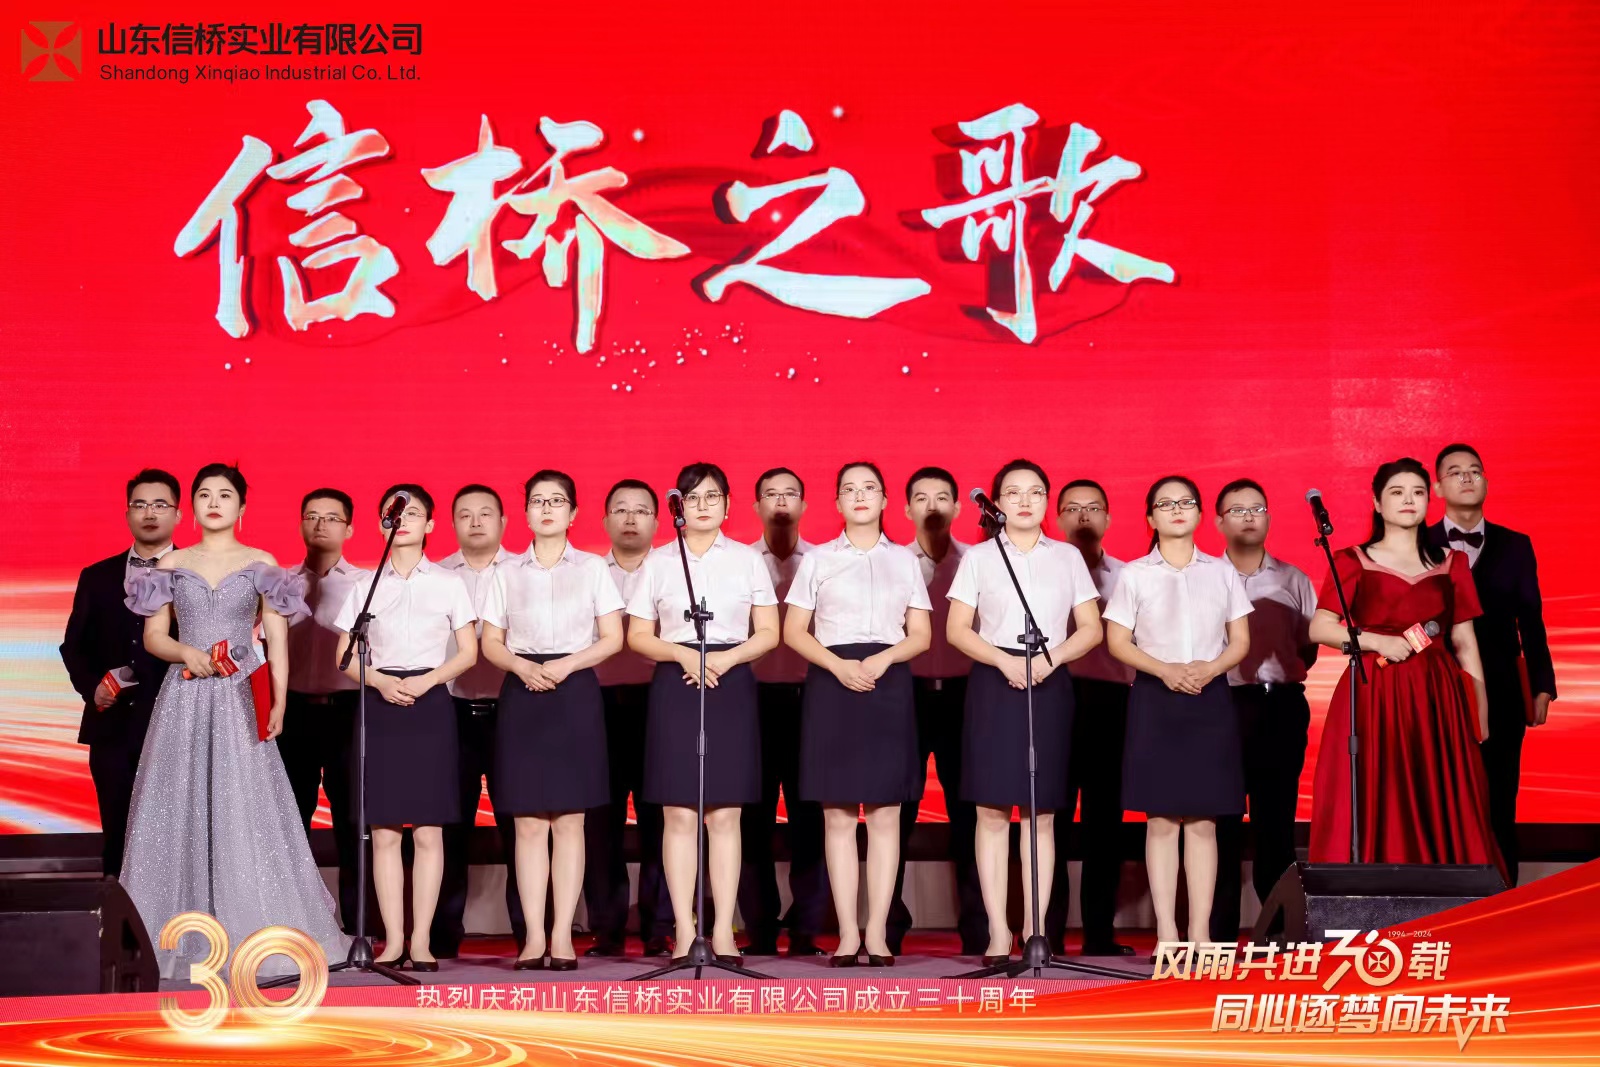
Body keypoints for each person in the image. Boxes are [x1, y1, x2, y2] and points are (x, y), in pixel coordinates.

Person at [121, 463, 348, 979]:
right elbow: (154, 637)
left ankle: (254, 932)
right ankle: (176, 935)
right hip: (185, 694)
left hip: (240, 693)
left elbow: (277, 638)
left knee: (244, 803)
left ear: (242, 507)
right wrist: (186, 652)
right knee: (176, 804)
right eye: (204, 494)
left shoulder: (261, 563)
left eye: (225, 495)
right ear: (192, 506)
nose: (214, 503)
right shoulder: (171, 564)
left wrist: (280, 701)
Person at [1309, 458, 1502, 876]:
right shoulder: (1352, 559)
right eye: (1396, 492)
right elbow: (1320, 627)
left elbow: (1465, 642)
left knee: (1440, 789)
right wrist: (1378, 641)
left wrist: (1480, 710)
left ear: (1429, 500)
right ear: (1377, 503)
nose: (1408, 500)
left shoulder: (1451, 563)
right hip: (1372, 691)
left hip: (1437, 694)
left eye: (1417, 492)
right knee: (1377, 786)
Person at [946, 459, 1103, 964]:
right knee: (991, 812)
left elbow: (1091, 628)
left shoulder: (1067, 558)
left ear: (1046, 500)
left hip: (1050, 682)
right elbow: (957, 629)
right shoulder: (979, 557)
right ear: (997, 503)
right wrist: (1004, 661)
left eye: (1035, 492)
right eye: (1013, 492)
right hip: (995, 683)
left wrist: (1048, 661)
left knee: (1043, 814)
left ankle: (1036, 932)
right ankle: (997, 932)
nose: (1025, 501)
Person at [627, 462, 780, 963]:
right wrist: (682, 654)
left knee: (726, 812)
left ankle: (723, 931)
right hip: (676, 683)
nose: (702, 505)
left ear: (728, 505)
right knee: (678, 812)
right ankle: (683, 928)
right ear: (679, 507)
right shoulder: (659, 562)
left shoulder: (747, 560)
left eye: (712, 496)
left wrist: (725, 660)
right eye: (692, 498)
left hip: (730, 682)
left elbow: (769, 632)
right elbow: (638, 634)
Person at [784, 462, 932, 966]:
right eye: (849, 489)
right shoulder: (818, 559)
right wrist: (837, 666)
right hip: (833, 683)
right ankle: (848, 933)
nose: (860, 495)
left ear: (886, 500)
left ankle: (878, 932)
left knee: (887, 813)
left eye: (869, 488)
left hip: (888, 683)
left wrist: (883, 660)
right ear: (837, 503)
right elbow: (794, 630)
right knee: (838, 815)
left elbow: (920, 634)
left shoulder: (904, 560)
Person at [480, 471, 625, 970]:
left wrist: (566, 665)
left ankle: (563, 935)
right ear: (525, 513)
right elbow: (491, 641)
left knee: (570, 821)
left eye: (556, 501)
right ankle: (534, 936)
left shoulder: (592, 568)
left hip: (574, 692)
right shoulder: (506, 571)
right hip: (523, 694)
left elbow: (613, 637)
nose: (546, 509)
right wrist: (523, 667)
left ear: (573, 512)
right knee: (526, 824)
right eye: (538, 501)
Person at [334, 484, 478, 971]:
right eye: (393, 513)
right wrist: (379, 681)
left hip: (430, 703)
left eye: (413, 512)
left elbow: (468, 652)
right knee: (385, 831)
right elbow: (343, 657)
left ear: (430, 524)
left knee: (430, 831)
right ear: (382, 525)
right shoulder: (365, 585)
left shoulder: (449, 583)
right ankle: (393, 940)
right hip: (380, 703)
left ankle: (421, 941)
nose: (402, 520)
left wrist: (427, 680)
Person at [1104, 475, 1251, 949]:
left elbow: (1240, 641)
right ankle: (1167, 932)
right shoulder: (1135, 574)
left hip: (1209, 697)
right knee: (1162, 820)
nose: (1176, 510)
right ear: (1151, 517)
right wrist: (1164, 670)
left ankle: (1201, 934)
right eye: (1165, 504)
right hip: (1155, 697)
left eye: (1185, 502)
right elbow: (1117, 641)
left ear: (1201, 514)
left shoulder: (1222, 572)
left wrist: (1209, 668)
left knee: (1205, 821)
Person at [1426, 444, 1556, 886]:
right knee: (1441, 799)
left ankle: (1502, 901)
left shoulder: (1516, 544)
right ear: (1437, 487)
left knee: (1500, 799)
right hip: (1437, 687)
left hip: (1501, 690)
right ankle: (1443, 904)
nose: (1466, 478)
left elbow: (1531, 619)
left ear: (1486, 481)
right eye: (1455, 471)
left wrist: (1541, 684)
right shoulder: (1420, 543)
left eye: (1475, 471)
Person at [1208, 480, 1318, 944]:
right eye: (1237, 510)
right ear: (1218, 522)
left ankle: (1276, 933)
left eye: (1257, 508)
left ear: (1269, 518)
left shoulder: (1294, 579)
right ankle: (1217, 933)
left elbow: (1308, 647)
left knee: (1276, 823)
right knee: (1220, 823)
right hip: (1222, 707)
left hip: (1280, 707)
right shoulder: (1204, 577)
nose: (1249, 516)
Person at [60, 468, 179, 879]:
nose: (150, 513)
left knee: (173, 836)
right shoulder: (97, 576)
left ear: (178, 514)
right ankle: (116, 914)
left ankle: (176, 916)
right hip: (111, 727)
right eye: (140, 504)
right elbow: (72, 647)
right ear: (127, 513)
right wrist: (92, 688)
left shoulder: (196, 576)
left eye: (160, 504)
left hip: (175, 726)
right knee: (117, 833)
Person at [887, 466, 986, 957]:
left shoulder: (979, 562)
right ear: (906, 508)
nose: (932, 506)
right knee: (894, 813)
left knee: (971, 814)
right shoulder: (891, 562)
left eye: (942, 497)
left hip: (966, 697)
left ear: (958, 508)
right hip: (905, 694)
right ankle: (887, 927)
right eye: (922, 497)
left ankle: (979, 928)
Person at [738, 466, 828, 957]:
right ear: (755, 506)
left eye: (790, 493)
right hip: (750, 701)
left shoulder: (823, 561)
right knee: (751, 819)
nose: (780, 501)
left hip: (810, 701)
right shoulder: (738, 563)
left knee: (810, 818)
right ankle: (759, 928)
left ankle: (807, 928)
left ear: (804, 505)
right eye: (770, 493)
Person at [432, 484, 524, 959]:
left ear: (504, 522)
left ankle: (531, 934)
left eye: (485, 513)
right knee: (448, 826)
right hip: (451, 713)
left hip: (514, 711)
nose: (475, 521)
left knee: (523, 826)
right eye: (465, 514)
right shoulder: (434, 576)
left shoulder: (524, 572)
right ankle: (441, 935)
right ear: (451, 524)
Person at [584, 479, 674, 958]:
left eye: (641, 510)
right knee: (601, 821)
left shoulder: (673, 570)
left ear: (657, 522)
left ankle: (660, 925)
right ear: (605, 521)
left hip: (660, 703)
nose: (631, 518)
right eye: (621, 509)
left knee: (664, 817)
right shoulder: (586, 573)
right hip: (596, 706)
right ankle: (607, 927)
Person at [1047, 478, 1136, 957]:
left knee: (1106, 823)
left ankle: (1099, 933)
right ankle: (1048, 933)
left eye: (1093, 507)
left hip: (1112, 703)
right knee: (1051, 820)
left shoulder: (1128, 576)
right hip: (1055, 696)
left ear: (1107, 519)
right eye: (1073, 508)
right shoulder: (1041, 573)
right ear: (1058, 519)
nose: (1084, 516)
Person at [282, 487, 369, 931]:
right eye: (311, 516)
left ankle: (358, 924)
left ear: (349, 529)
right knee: (290, 821)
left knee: (353, 820)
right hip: (292, 712)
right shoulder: (280, 584)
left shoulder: (365, 585)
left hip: (347, 710)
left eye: (332, 518)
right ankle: (294, 921)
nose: (320, 525)